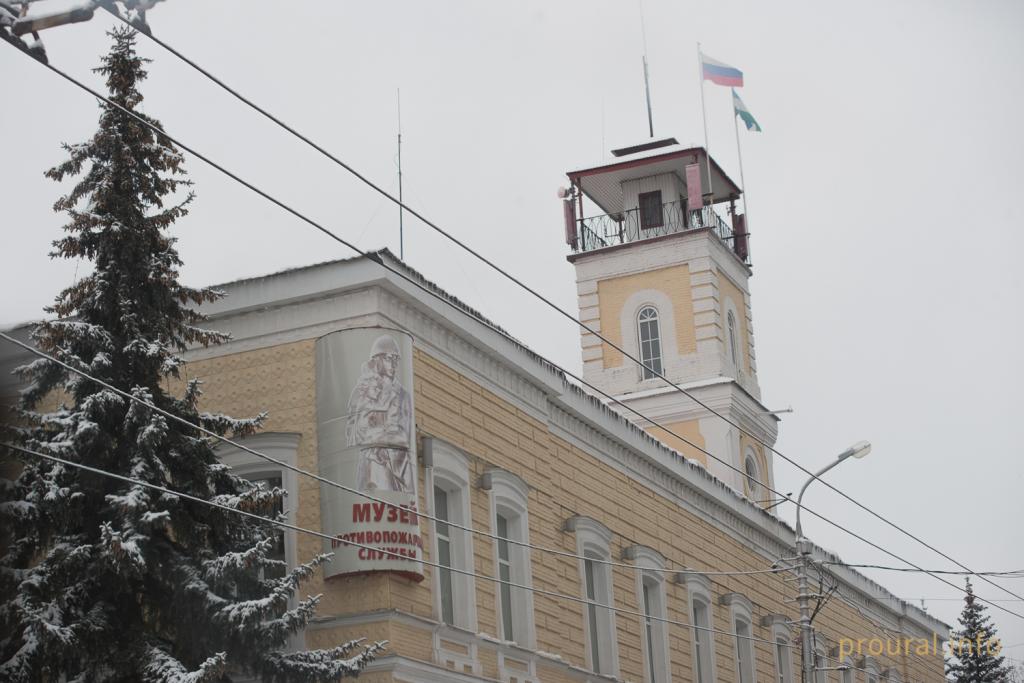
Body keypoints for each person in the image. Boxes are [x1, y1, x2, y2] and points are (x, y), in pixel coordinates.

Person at [346, 334, 414, 492]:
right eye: (389, 358)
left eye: (396, 359)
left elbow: (404, 438)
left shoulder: (403, 395)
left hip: (396, 470)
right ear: (376, 360)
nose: (394, 364)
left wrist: (372, 436)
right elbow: (352, 435)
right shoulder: (360, 391)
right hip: (368, 468)